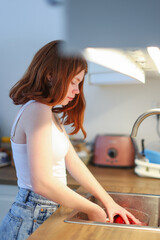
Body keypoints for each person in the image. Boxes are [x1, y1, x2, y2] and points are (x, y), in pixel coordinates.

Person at [0, 40, 141, 240]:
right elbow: (41, 183)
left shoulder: (49, 113)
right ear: (50, 75)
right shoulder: (37, 110)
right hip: (32, 214)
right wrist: (94, 209)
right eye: (74, 81)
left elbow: (74, 163)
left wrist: (108, 201)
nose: (76, 91)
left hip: (43, 211)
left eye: (79, 83)